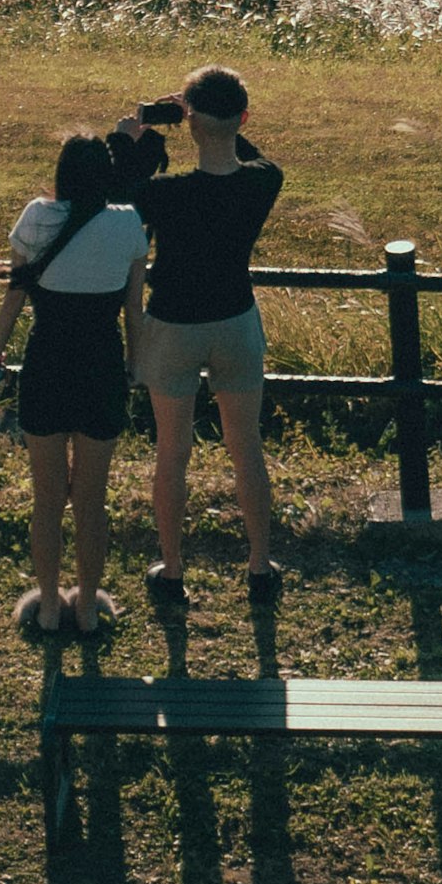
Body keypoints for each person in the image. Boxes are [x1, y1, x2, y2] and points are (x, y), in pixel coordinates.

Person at [128, 62, 284, 613]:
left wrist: (134, 134)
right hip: (235, 321)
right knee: (247, 450)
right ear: (242, 117)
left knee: (173, 453)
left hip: (172, 324)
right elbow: (253, 153)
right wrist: (216, 121)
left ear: (189, 123)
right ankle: (260, 569)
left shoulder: (166, 194)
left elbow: (120, 189)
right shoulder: (264, 181)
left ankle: (172, 573)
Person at [0, 128, 148, 644]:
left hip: (47, 365)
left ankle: (50, 608)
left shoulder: (36, 217)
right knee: (93, 501)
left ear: (60, 174)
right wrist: (134, 369)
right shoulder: (128, 226)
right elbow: (133, 314)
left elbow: (13, 299)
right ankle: (91, 611)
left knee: (48, 499)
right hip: (101, 368)